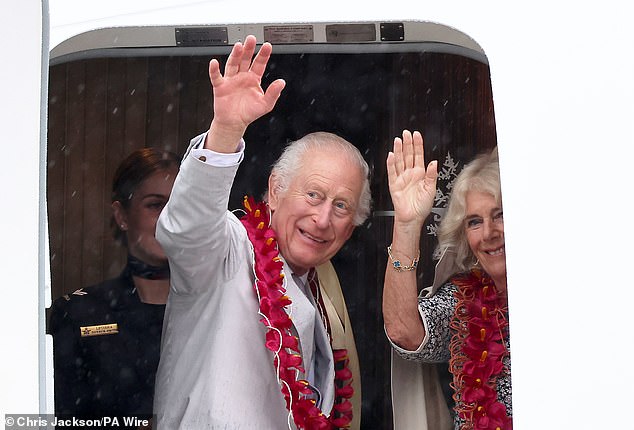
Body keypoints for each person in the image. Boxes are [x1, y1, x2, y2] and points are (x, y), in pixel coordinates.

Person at [152, 35, 369, 429]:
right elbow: (185, 229)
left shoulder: (321, 290)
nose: (323, 219)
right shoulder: (229, 250)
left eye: (341, 206)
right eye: (313, 194)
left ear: (352, 225)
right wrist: (225, 131)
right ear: (275, 190)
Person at [382, 130, 512, 430]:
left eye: (501, 215)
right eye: (475, 222)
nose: (489, 233)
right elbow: (405, 333)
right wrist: (407, 223)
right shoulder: (464, 303)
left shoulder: (569, 294)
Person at [49, 147, 179, 422]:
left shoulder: (214, 309)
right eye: (156, 205)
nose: (168, 218)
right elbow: (57, 418)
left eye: (178, 205)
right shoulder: (80, 313)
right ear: (122, 216)